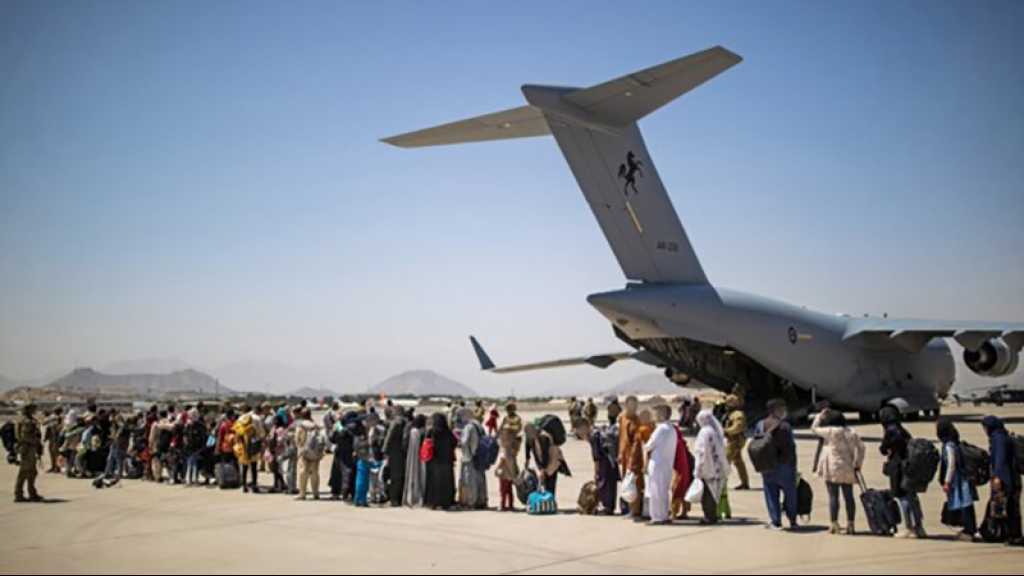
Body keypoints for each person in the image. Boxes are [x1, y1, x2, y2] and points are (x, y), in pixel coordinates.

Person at [812, 409, 865, 535]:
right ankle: (851, 524)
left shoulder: (831, 431)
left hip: (832, 467)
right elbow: (862, 447)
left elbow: (814, 428)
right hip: (848, 466)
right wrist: (858, 464)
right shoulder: (851, 432)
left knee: (833, 496)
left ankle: (834, 523)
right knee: (849, 497)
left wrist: (819, 416)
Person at [879, 406, 925, 539]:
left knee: (902, 497)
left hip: (897, 467)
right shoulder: (903, 430)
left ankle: (908, 527)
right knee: (912, 497)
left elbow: (883, 448)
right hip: (909, 466)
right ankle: (919, 527)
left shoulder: (890, 431)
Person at [757, 399, 799, 531]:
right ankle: (792, 520)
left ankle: (776, 521)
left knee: (771, 493)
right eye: (782, 409)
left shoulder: (760, 424)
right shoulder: (785, 426)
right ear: (775, 410)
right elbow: (792, 446)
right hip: (785, 465)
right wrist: (794, 466)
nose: (784, 411)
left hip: (767, 464)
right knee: (790, 493)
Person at [983, 415, 1022, 545]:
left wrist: (998, 478)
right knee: (1012, 508)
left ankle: (1008, 535)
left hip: (1005, 480)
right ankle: (1012, 535)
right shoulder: (1004, 436)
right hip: (1014, 479)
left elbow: (1000, 459)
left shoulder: (998, 439)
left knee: (1004, 508)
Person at [937, 418, 978, 542]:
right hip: (960, 479)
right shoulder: (953, 442)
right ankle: (969, 529)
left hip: (958, 480)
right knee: (965, 504)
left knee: (964, 504)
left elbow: (951, 464)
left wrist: (947, 482)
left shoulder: (949, 445)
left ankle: (969, 530)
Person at [693, 408, 730, 524]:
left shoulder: (704, 432)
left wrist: (698, 468)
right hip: (716, 468)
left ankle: (709, 517)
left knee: (707, 495)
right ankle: (713, 515)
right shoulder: (714, 431)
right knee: (713, 494)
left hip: (707, 468)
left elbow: (702, 452)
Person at [644, 405, 678, 525]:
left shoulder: (661, 429)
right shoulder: (672, 429)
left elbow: (649, 446)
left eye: (656, 413)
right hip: (667, 464)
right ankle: (664, 515)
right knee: (664, 491)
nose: (655, 416)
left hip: (657, 464)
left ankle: (657, 517)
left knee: (656, 491)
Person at [584, 415, 619, 516]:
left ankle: (606, 507)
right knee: (611, 485)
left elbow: (596, 457)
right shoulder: (598, 433)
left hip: (604, 464)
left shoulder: (594, 436)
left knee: (603, 485)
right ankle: (610, 507)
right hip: (611, 461)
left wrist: (596, 472)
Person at [525, 421, 568, 497]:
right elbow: (527, 447)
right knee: (543, 483)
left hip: (552, 461)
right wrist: (527, 461)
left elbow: (545, 454)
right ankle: (545, 502)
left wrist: (543, 469)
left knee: (550, 483)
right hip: (542, 461)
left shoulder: (544, 437)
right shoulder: (530, 437)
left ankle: (550, 501)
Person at [424, 412, 456, 510]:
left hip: (435, 461)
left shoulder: (432, 431)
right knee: (446, 483)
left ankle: (433, 503)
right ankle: (446, 502)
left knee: (434, 482)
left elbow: (426, 443)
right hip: (447, 461)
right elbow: (454, 442)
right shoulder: (448, 431)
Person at [627, 409, 655, 521]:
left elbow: (645, 448)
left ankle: (643, 512)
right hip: (645, 462)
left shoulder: (644, 430)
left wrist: (644, 464)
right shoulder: (652, 429)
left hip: (642, 463)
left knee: (642, 488)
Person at [459, 407, 488, 510]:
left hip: (470, 457)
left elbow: (464, 441)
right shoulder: (479, 426)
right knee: (480, 479)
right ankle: (482, 500)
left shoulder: (468, 427)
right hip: (480, 456)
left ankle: (471, 502)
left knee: (470, 480)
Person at [14, 404, 44, 503]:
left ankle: (32, 493)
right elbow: (24, 437)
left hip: (31, 448)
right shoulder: (26, 421)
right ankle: (19, 494)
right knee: (24, 472)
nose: (35, 409)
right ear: (28, 409)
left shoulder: (30, 420)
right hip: (27, 449)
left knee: (32, 472)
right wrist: (36, 441)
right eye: (33, 408)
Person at [618, 396, 641, 517]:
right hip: (625, 456)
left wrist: (633, 459)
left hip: (634, 457)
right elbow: (622, 438)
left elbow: (637, 442)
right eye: (632, 405)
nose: (634, 408)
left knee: (635, 483)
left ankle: (635, 510)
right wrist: (620, 453)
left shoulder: (637, 421)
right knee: (626, 482)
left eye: (635, 406)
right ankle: (628, 508)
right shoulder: (622, 419)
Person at [722, 394, 750, 491]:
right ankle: (744, 483)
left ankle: (721, 483)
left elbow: (738, 427)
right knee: (738, 462)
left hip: (735, 441)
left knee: (725, 461)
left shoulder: (738, 414)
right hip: (733, 440)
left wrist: (726, 431)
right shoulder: (733, 414)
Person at [329, 412, 357, 501]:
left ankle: (339, 492)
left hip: (341, 453)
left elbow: (332, 439)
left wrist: (336, 427)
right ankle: (346, 493)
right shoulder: (351, 427)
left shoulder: (342, 427)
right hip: (347, 453)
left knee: (339, 473)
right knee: (347, 473)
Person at [295, 409, 322, 501]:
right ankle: (316, 493)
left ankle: (302, 493)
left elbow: (297, 439)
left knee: (303, 472)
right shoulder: (315, 425)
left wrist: (300, 447)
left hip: (304, 452)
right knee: (314, 472)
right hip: (315, 452)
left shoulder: (301, 426)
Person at [384, 408, 408, 507]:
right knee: (401, 475)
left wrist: (384, 450)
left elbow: (389, 437)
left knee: (394, 476)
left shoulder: (395, 423)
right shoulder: (406, 422)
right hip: (403, 453)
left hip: (394, 452)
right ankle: (399, 497)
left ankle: (394, 499)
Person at [495, 421, 520, 511]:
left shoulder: (505, 447)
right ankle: (510, 504)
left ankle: (502, 505)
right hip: (511, 470)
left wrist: (497, 468)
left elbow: (503, 459)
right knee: (509, 490)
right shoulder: (513, 446)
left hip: (504, 471)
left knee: (503, 490)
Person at [403, 414, 427, 508]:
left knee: (411, 476)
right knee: (419, 477)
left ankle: (410, 496)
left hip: (411, 457)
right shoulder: (420, 432)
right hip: (419, 457)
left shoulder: (412, 431)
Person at [44, 408, 63, 473]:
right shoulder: (55, 418)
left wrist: (46, 437)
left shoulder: (55, 418)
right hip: (54, 438)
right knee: (54, 453)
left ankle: (56, 467)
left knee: (54, 453)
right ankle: (54, 467)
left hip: (54, 438)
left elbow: (46, 425)